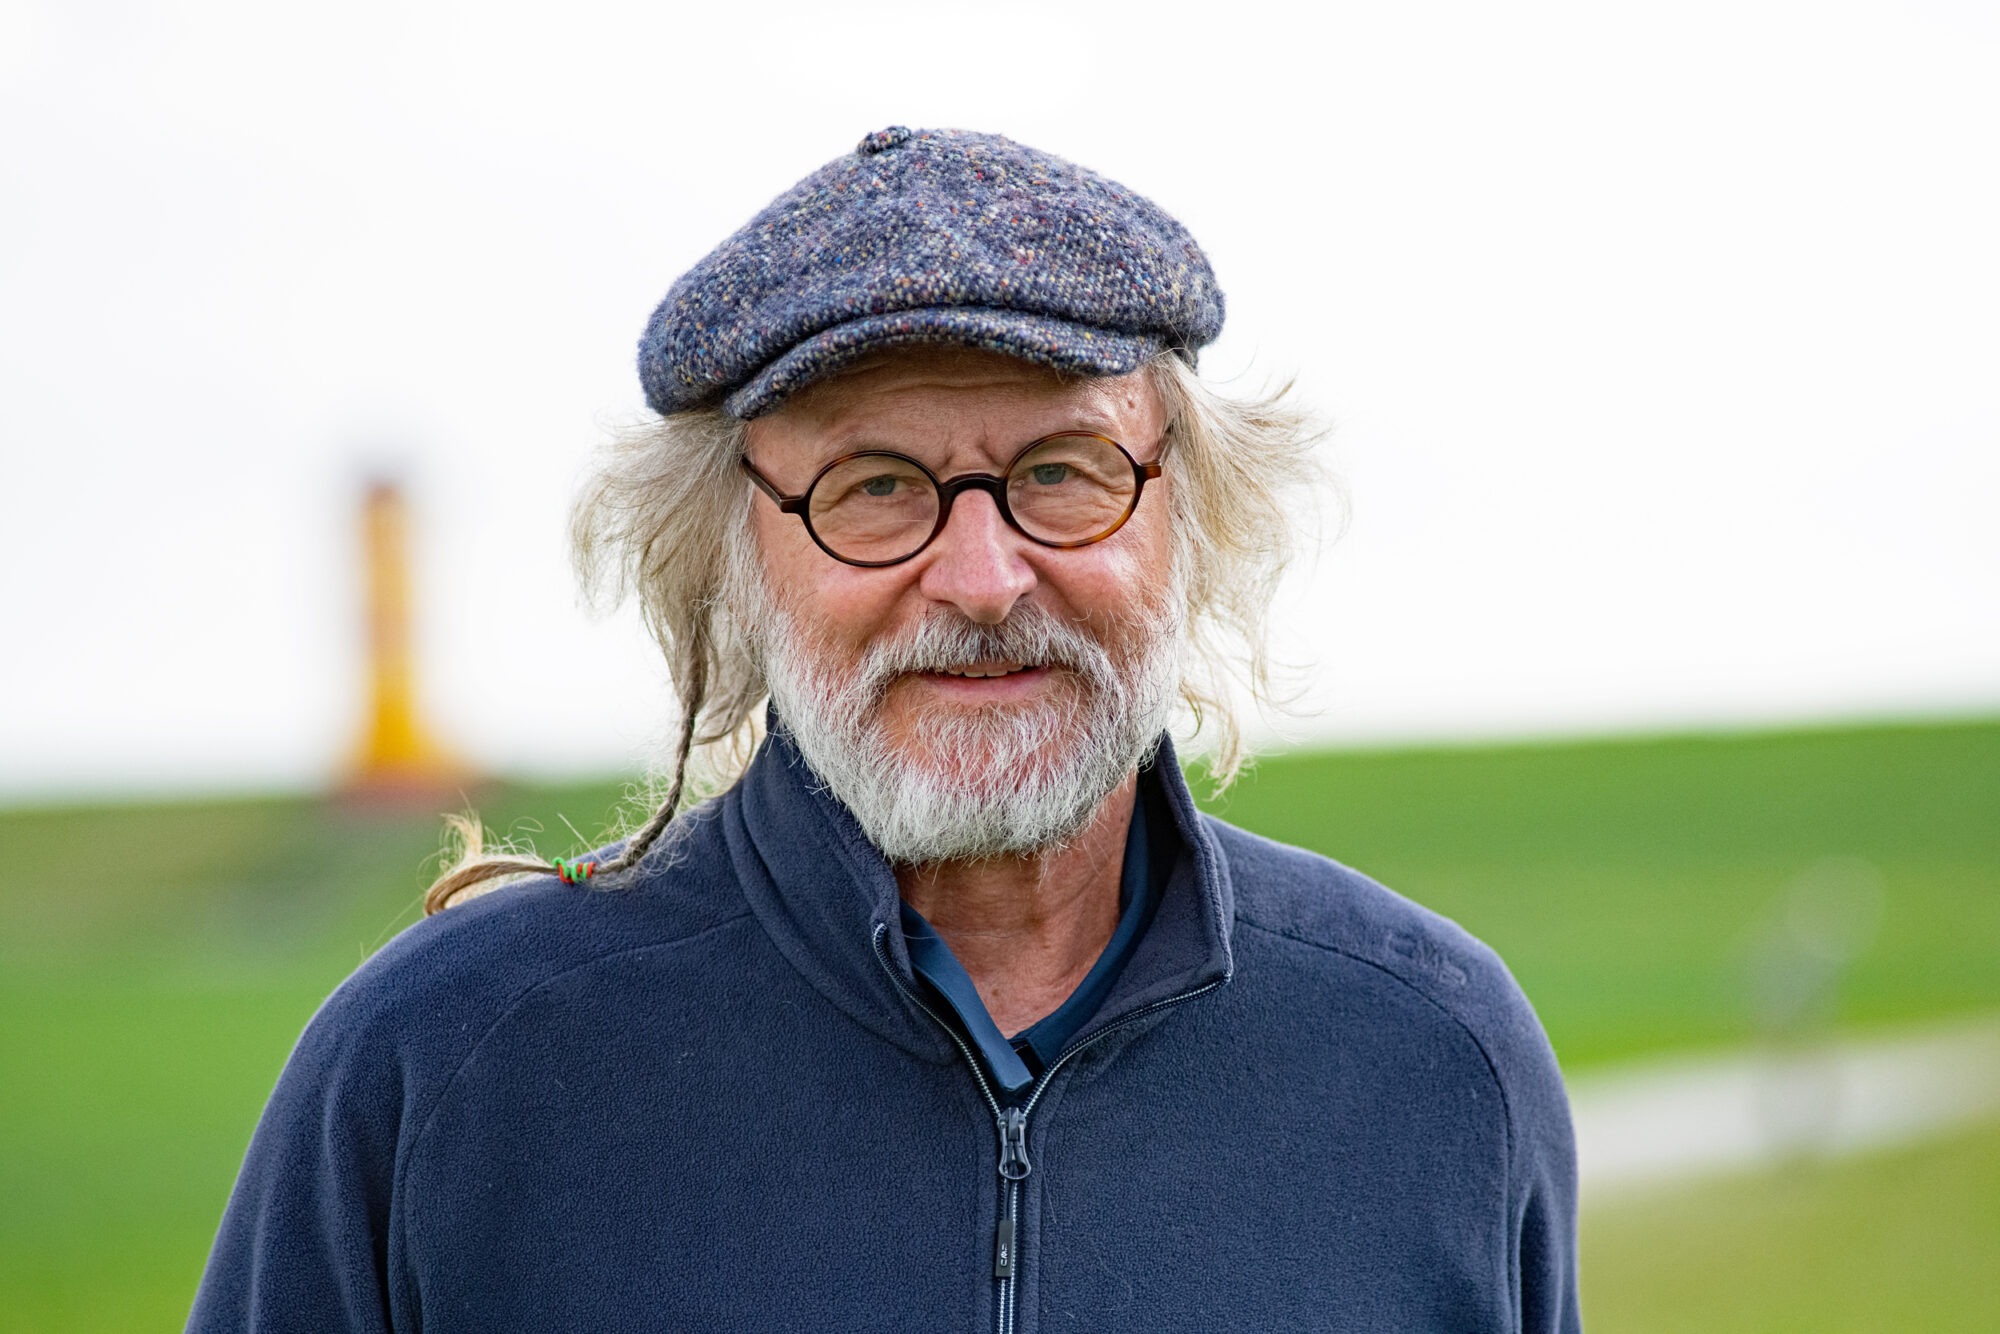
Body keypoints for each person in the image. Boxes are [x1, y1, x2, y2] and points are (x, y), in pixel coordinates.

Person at [190, 126, 1579, 1333]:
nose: (981, 580)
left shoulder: (1435, 1056)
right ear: (731, 556)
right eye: (874, 487)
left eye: (1064, 471)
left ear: (1193, 512)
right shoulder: (444, 1071)